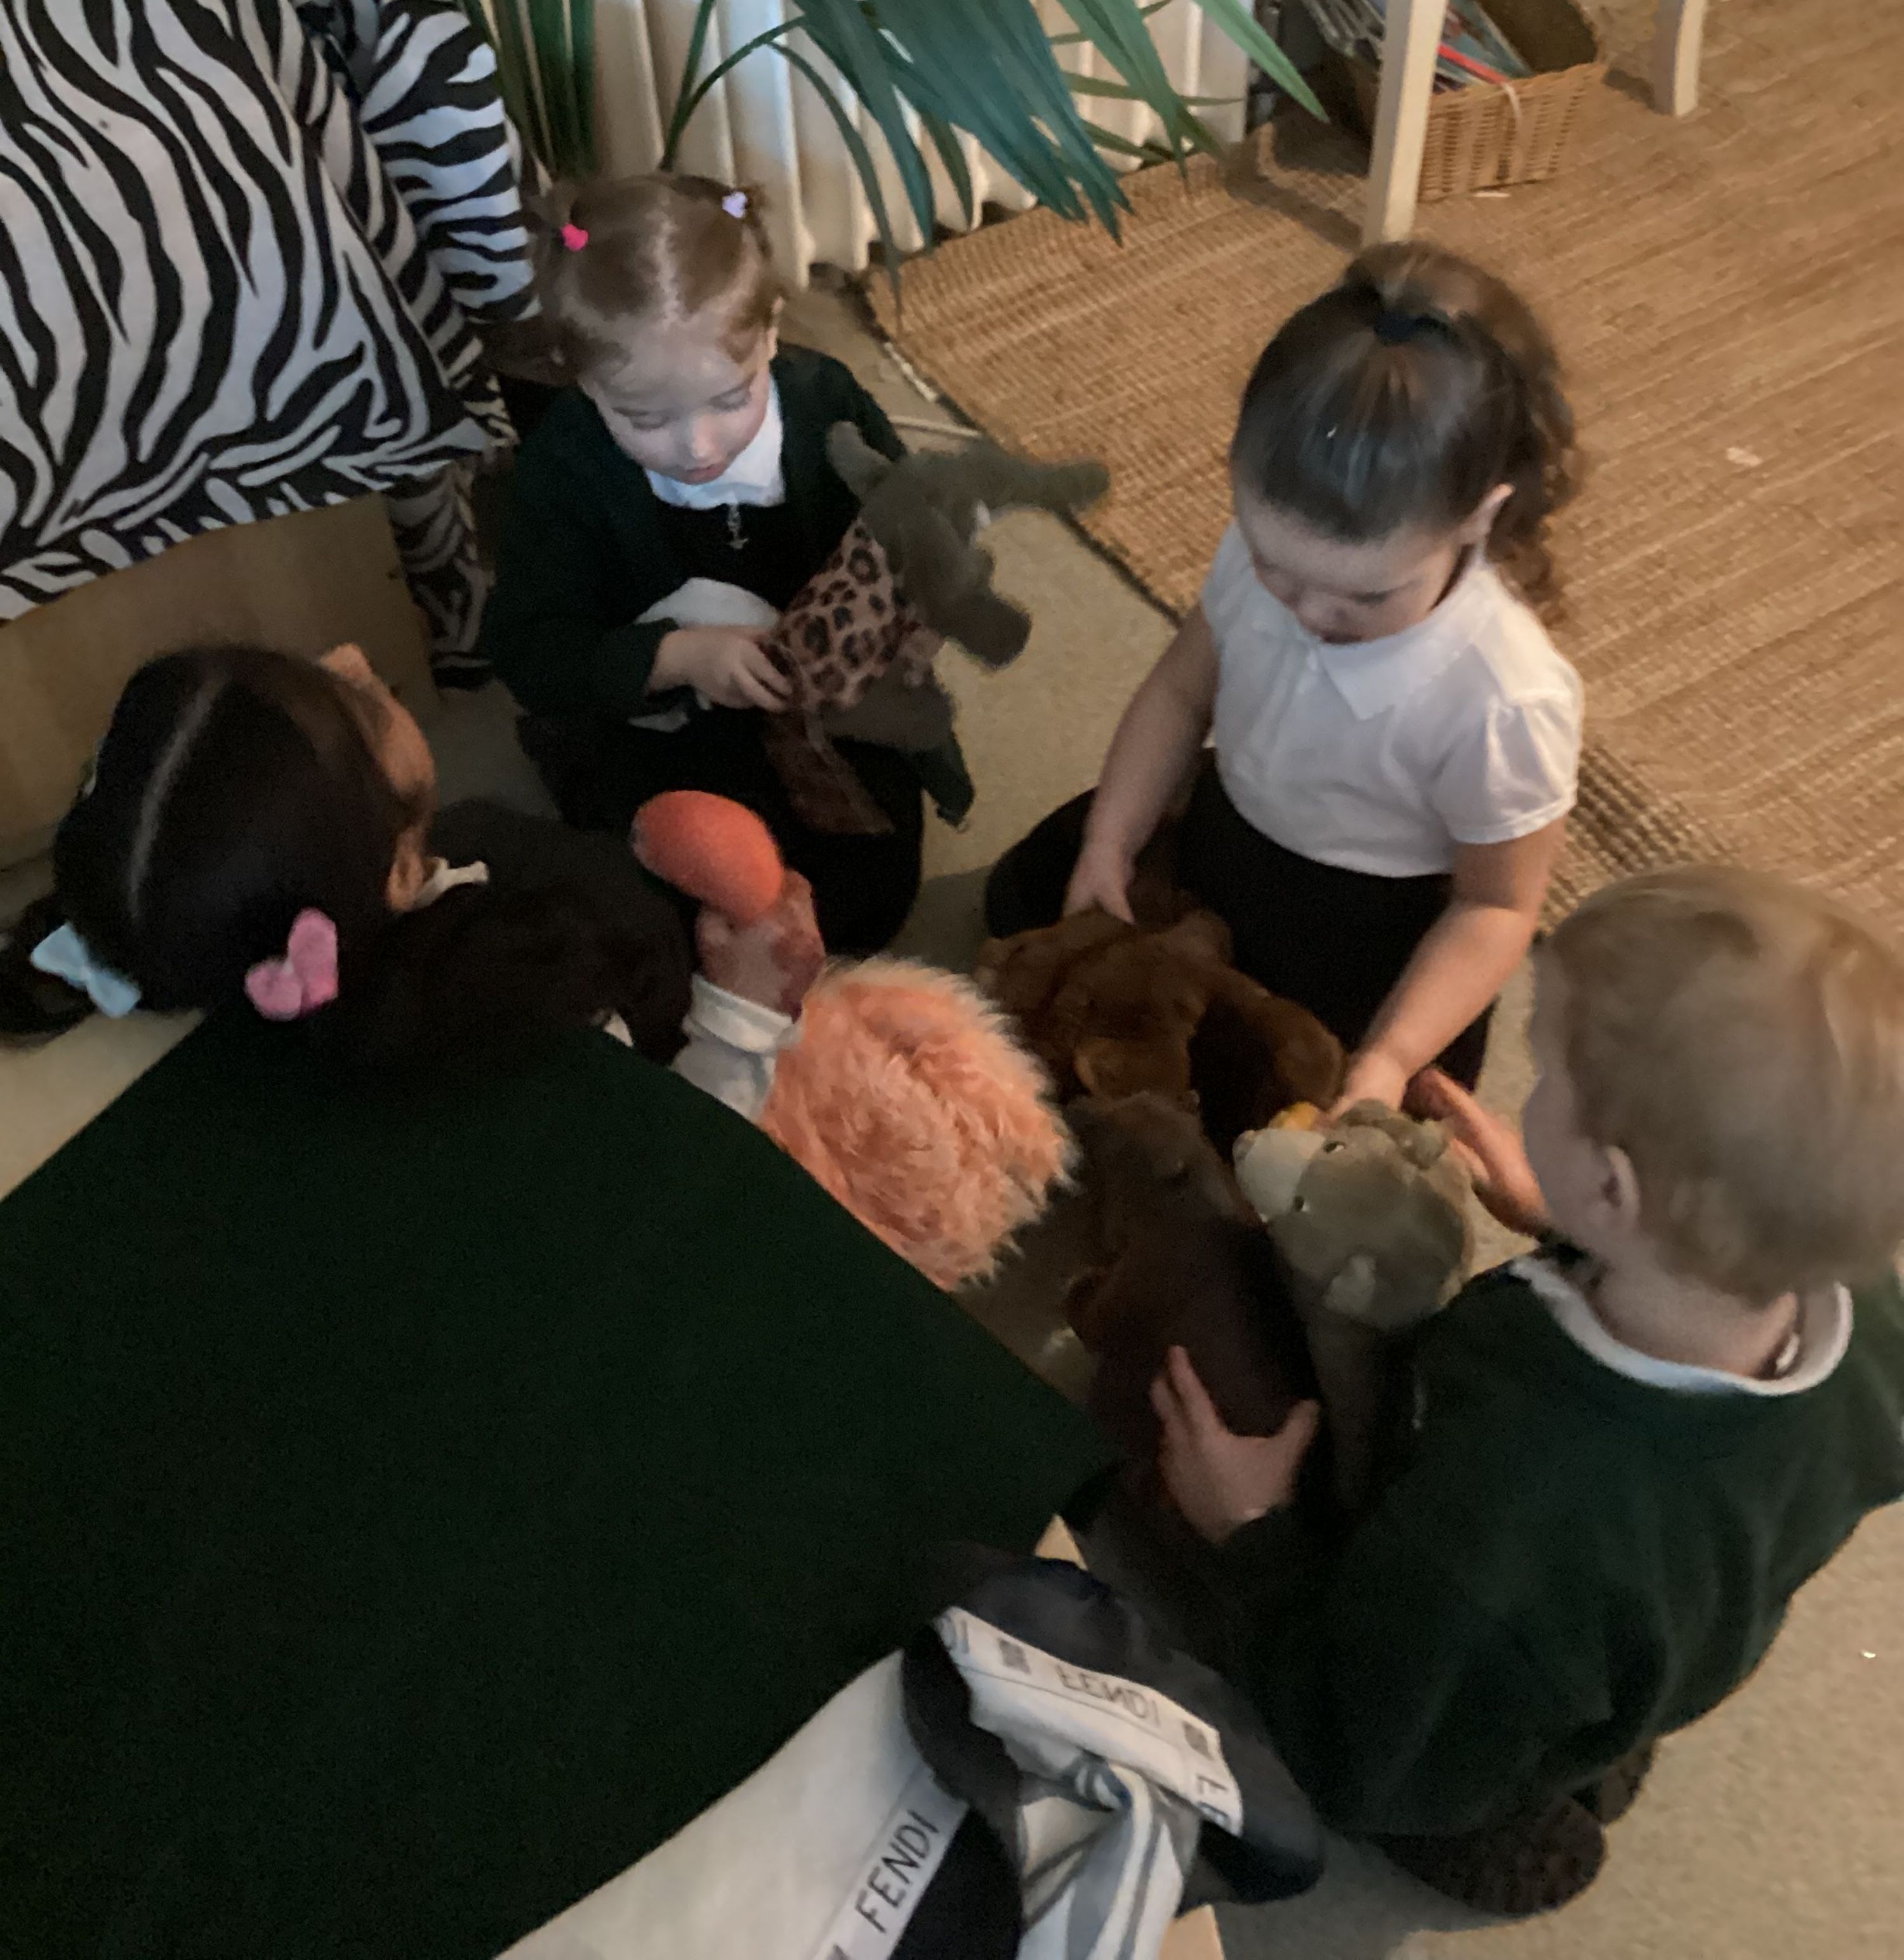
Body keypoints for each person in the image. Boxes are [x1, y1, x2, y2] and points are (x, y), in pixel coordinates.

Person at [1146, 864, 1904, 1916]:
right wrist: (1574, 1222)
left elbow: (1343, 1748)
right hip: (1651, 1603)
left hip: (1460, 1661)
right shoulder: (1860, 1308)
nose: (1528, 1092)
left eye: (1546, 1077)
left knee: (1194, 1404)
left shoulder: (1519, 1510)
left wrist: (1251, 1537)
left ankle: (1498, 1812)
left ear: (1618, 1186)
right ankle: (1595, 1725)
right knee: (1590, 1651)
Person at [985, 241, 1583, 1098]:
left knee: (1268, 1094)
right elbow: (1179, 692)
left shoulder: (1505, 699)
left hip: (1365, 926)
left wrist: (1391, 1057)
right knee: (1038, 902)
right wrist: (1112, 838)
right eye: (1277, 567)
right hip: (1230, 827)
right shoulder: (1262, 558)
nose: (1309, 612)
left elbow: (1497, 907)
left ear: (1480, 519)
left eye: (1365, 596)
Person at [484, 173, 962, 958]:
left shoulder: (824, 399)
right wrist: (676, 657)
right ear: (582, 377)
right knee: (672, 914)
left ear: (771, 332)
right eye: (646, 418)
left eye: (731, 400)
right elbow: (529, 647)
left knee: (870, 892)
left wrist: (921, 606)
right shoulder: (564, 467)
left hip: (820, 709)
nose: (698, 447)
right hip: (660, 725)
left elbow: (910, 522)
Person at [0, 640, 779, 1088]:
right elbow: (676, 1173)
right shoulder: (539, 1015)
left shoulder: (201, 943)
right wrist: (744, 1015)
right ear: (400, 876)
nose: (352, 657)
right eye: (359, 704)